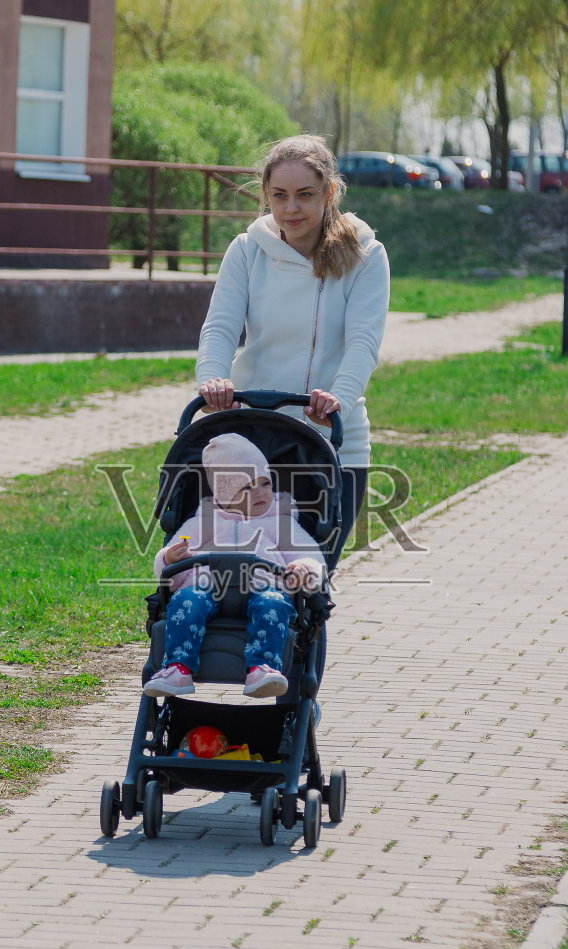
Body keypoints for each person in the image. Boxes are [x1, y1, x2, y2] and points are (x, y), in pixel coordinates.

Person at [195, 134, 390, 570]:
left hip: (333, 442)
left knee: (308, 577)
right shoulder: (246, 251)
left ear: (330, 193)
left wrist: (338, 396)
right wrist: (212, 378)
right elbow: (220, 327)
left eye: (305, 195)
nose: (291, 209)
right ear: (265, 195)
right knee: (236, 573)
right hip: (252, 440)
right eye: (279, 196)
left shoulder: (366, 256)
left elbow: (363, 342)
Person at [144, 433, 326, 700]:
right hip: (206, 587)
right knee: (186, 600)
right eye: (247, 488)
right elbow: (169, 565)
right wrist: (169, 559)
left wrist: (303, 569)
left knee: (273, 604)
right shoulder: (204, 521)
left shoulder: (281, 523)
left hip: (264, 587)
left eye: (265, 483)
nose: (261, 492)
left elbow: (312, 558)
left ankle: (262, 667)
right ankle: (178, 667)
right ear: (225, 494)